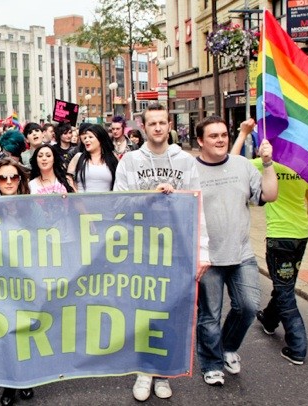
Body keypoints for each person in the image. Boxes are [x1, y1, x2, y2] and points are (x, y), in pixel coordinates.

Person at [114, 102, 210, 401]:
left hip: (176, 249)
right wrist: (147, 197)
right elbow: (118, 204)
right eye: (151, 123)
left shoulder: (185, 161)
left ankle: (164, 372)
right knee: (143, 313)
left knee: (171, 312)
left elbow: (198, 206)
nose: (157, 128)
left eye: (162, 123)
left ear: (169, 125)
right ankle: (144, 370)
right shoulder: (129, 162)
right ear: (143, 126)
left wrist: (202, 251)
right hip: (141, 250)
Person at [195, 115, 278, 386]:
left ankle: (228, 348)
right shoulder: (189, 170)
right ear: (200, 141)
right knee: (210, 316)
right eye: (213, 136)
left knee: (248, 307)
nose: (220, 139)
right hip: (208, 257)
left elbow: (269, 195)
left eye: (223, 135)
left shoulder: (243, 165)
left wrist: (267, 164)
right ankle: (211, 363)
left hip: (241, 254)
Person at [231, 119, 308, 365]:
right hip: (300, 234)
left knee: (285, 289)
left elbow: (232, 164)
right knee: (285, 283)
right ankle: (269, 319)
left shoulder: (265, 164)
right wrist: (307, 222)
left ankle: (297, 346)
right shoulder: (302, 166)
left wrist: (243, 134)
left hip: (279, 237)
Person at [0, 158, 33, 405]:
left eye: (14, 177)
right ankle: (9, 384)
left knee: (27, 329)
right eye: (3, 178)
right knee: (6, 331)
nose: (9, 182)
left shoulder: (31, 206)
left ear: (21, 180)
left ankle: (29, 379)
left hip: (28, 278)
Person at [67, 124, 117, 193]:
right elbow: (68, 179)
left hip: (106, 202)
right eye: (85, 138)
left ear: (100, 139)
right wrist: (76, 195)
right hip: (81, 201)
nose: (86, 140)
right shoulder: (78, 157)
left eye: (90, 137)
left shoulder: (112, 157)